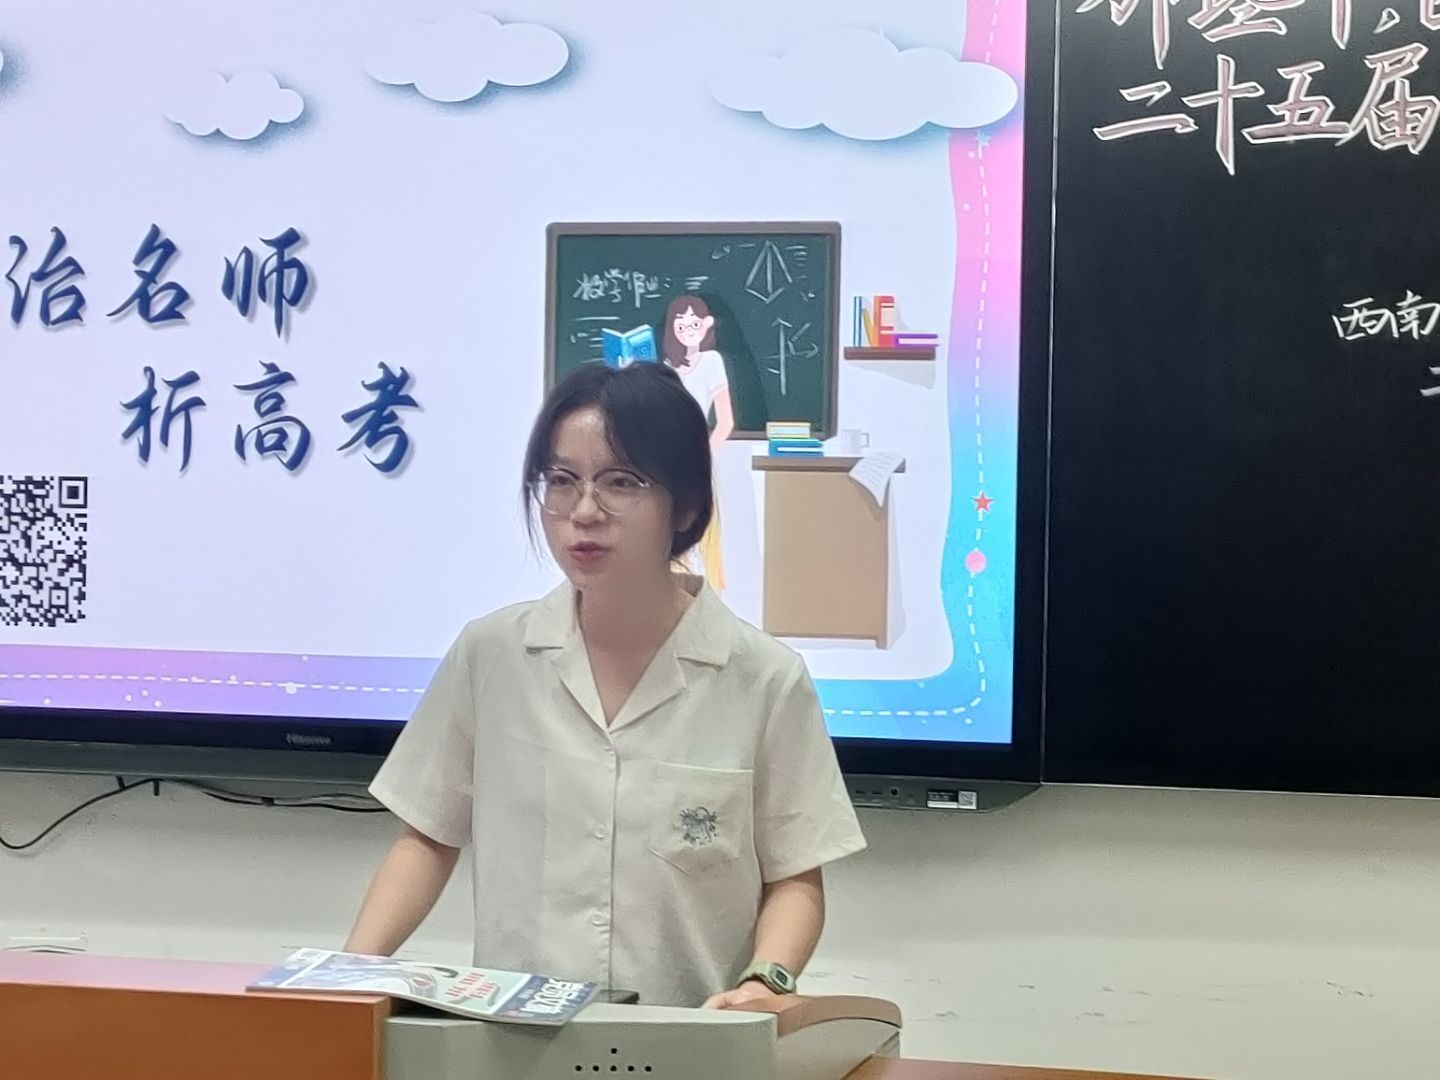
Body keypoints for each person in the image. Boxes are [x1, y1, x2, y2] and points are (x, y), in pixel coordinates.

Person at [345, 362, 866, 1008]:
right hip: (514, 1040)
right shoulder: (491, 655)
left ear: (687, 505)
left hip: (690, 1039)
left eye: (621, 481)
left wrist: (766, 980)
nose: (584, 511)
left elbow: (795, 875)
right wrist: (347, 975)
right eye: (562, 481)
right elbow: (428, 836)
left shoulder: (763, 677)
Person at [661, 294, 734, 592]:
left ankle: (707, 595)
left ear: (707, 324)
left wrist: (702, 458)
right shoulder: (667, 367)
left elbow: (725, 422)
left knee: (701, 534)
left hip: (696, 461)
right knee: (668, 536)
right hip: (664, 461)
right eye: (681, 325)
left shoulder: (711, 361)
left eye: (694, 324)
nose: (688, 330)